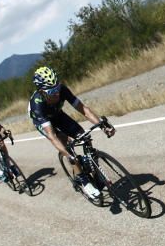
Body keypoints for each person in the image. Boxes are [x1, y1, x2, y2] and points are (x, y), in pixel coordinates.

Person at [28, 66, 115, 199]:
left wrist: (102, 126)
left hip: (58, 114)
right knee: (65, 143)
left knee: (84, 136)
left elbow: (83, 109)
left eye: (57, 88)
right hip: (43, 121)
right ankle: (83, 180)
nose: (56, 93)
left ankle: (96, 172)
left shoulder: (62, 89)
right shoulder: (37, 104)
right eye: (52, 91)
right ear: (42, 91)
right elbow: (51, 136)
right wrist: (68, 155)